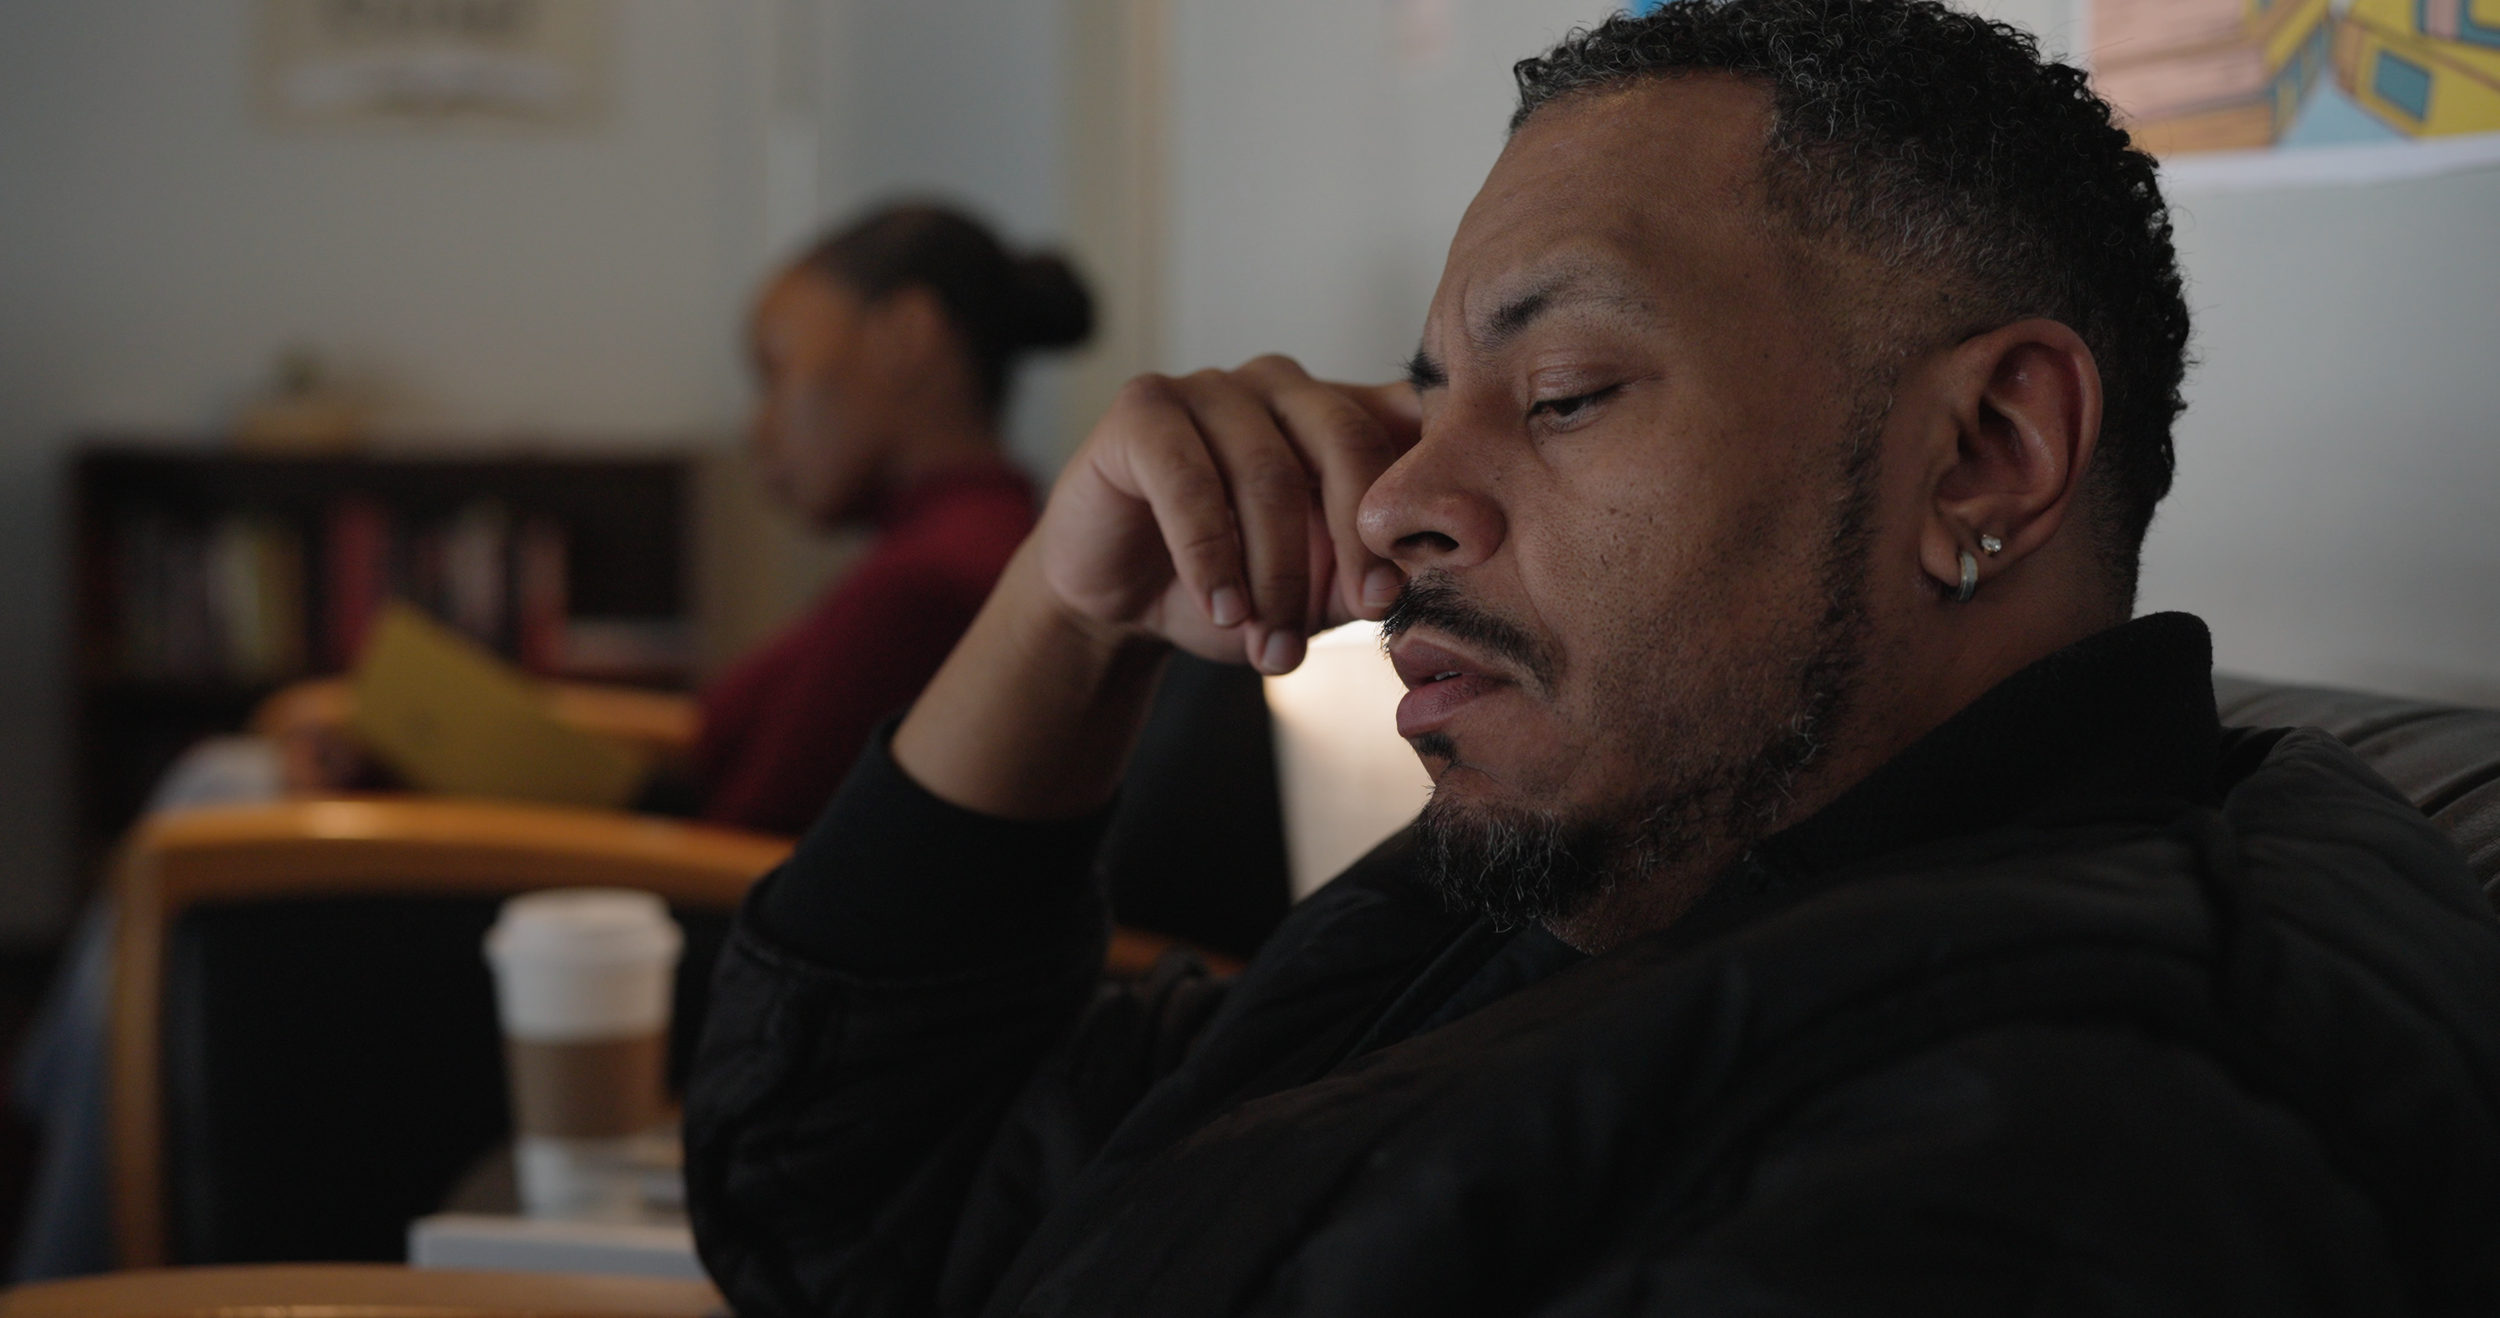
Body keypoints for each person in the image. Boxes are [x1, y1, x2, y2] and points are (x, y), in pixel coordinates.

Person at [686, 3, 2500, 1314]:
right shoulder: (1617, 857)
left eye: (1560, 393)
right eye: (1422, 395)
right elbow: (862, 1216)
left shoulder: (2059, 1118)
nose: (1400, 495)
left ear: (1989, 453)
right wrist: (1064, 615)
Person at [692, 202, 1092, 834]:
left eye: (775, 373)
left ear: (909, 335)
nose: (758, 428)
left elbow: (755, 842)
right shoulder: (993, 538)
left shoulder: (921, 588)